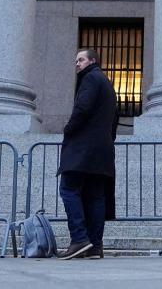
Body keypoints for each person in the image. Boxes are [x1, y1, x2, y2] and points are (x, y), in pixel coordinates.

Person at [58, 48, 117, 260]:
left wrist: (68, 129)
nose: (77, 63)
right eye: (76, 60)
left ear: (92, 61)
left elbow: (82, 108)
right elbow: (114, 120)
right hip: (102, 149)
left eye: (81, 60)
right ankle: (95, 246)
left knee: (68, 189)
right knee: (95, 196)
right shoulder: (106, 83)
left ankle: (80, 239)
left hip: (83, 147)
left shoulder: (90, 79)